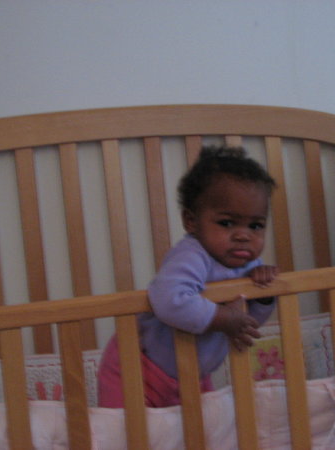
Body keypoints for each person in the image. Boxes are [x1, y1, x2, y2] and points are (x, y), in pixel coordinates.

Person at [98, 145, 279, 408]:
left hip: (193, 377)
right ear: (191, 222)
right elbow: (169, 299)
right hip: (138, 370)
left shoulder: (249, 265)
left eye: (255, 225)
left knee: (206, 428)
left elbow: (245, 324)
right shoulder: (192, 255)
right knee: (124, 429)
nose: (243, 235)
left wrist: (263, 296)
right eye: (227, 223)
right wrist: (223, 318)